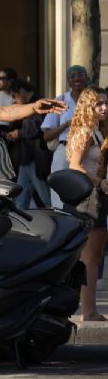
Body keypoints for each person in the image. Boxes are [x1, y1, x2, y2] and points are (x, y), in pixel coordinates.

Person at [65, 87, 108, 322]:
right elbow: (75, 166)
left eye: (106, 103)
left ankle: (90, 309)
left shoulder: (97, 130)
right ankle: (88, 310)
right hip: (87, 197)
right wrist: (100, 182)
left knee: (95, 255)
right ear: (87, 107)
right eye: (99, 103)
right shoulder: (84, 131)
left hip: (98, 195)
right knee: (90, 256)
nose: (104, 108)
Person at [42, 65, 91, 208]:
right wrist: (66, 124)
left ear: (87, 77)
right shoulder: (60, 101)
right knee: (59, 192)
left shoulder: (94, 99)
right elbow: (46, 136)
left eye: (80, 75)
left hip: (89, 151)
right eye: (72, 76)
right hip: (64, 150)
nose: (77, 79)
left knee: (87, 191)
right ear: (68, 81)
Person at [7, 79, 51, 208]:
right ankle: (21, 223)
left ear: (21, 91)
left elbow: (37, 129)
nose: (15, 99)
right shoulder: (31, 104)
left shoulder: (37, 104)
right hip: (27, 157)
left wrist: (18, 133)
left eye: (15, 96)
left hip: (35, 157)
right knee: (21, 198)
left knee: (46, 197)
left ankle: (59, 220)